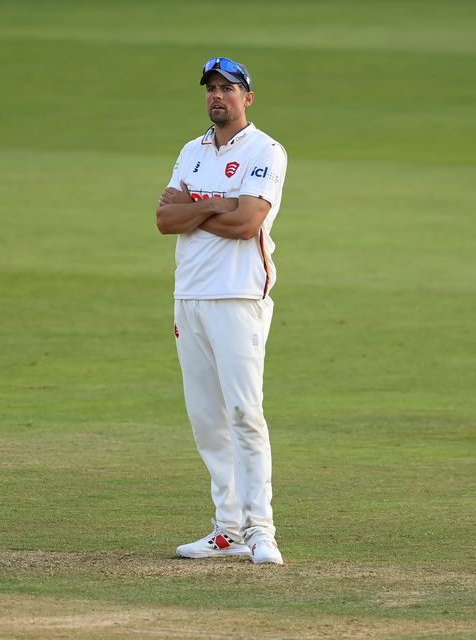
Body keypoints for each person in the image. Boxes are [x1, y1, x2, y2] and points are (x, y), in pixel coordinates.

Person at [155, 57, 287, 565]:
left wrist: (195, 208)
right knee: (207, 420)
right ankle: (228, 530)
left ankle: (261, 530)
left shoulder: (265, 151)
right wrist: (217, 204)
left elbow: (247, 223)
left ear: (247, 97)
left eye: (228, 88)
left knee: (244, 414)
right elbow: (165, 219)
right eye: (211, 88)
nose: (217, 95)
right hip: (189, 296)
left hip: (238, 296)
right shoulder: (192, 151)